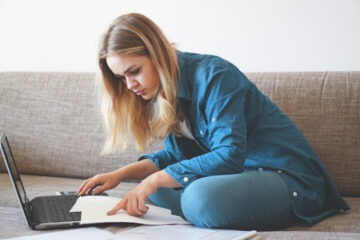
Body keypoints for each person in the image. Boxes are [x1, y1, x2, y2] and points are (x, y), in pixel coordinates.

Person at [77, 13, 349, 230]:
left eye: (134, 71)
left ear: (157, 54)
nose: (129, 85)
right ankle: (210, 209)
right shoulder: (165, 92)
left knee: (196, 197)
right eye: (121, 78)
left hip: (284, 177)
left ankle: (205, 208)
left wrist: (157, 180)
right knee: (151, 185)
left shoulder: (213, 75)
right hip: (237, 178)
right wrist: (119, 176)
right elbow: (175, 155)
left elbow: (230, 155)